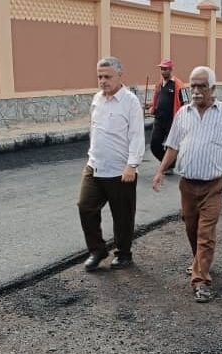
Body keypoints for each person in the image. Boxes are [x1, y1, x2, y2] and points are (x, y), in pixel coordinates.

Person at [152, 66, 222, 303]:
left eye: (201, 86)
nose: (196, 90)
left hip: (213, 186)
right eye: (193, 85)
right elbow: (173, 146)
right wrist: (160, 171)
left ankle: (201, 281)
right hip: (187, 185)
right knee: (191, 228)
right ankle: (199, 262)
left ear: (212, 88)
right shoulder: (183, 113)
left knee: (205, 233)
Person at [78, 57, 145, 271]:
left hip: (121, 171)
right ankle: (97, 251)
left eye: (107, 76)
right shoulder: (97, 99)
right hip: (95, 166)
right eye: (99, 76)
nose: (103, 81)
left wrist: (132, 165)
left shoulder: (130, 102)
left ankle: (124, 254)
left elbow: (137, 135)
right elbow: (95, 130)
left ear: (119, 76)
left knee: (122, 216)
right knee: (85, 207)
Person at [149, 59, 189, 172]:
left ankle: (168, 165)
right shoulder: (159, 84)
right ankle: (169, 163)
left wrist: (183, 119)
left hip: (172, 120)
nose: (163, 71)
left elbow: (186, 102)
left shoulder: (179, 85)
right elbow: (157, 98)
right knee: (154, 145)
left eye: (165, 69)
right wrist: (152, 106)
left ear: (171, 69)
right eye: (162, 69)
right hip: (159, 119)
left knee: (170, 145)